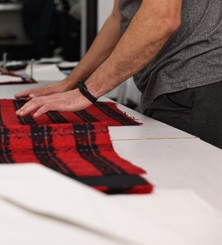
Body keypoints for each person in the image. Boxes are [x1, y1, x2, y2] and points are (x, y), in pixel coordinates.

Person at [15, 0, 222, 149]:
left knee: (184, 198)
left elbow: (162, 18)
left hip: (197, 84)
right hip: (172, 87)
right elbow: (118, 19)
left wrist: (85, 93)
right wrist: (72, 82)